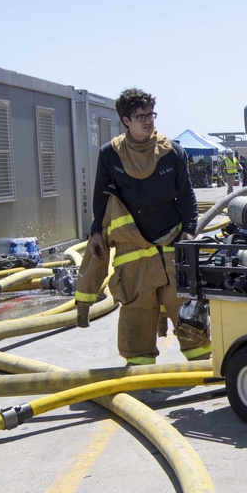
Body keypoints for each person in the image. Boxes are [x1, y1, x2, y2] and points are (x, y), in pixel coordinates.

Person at [74, 88, 211, 365]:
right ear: (126, 120)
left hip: (171, 248)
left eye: (151, 114)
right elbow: (102, 197)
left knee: (189, 317)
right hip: (133, 254)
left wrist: (189, 232)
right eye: (141, 116)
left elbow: (186, 196)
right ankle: (140, 379)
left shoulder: (172, 152)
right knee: (136, 320)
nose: (149, 121)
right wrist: (97, 232)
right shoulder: (110, 155)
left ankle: (202, 369)